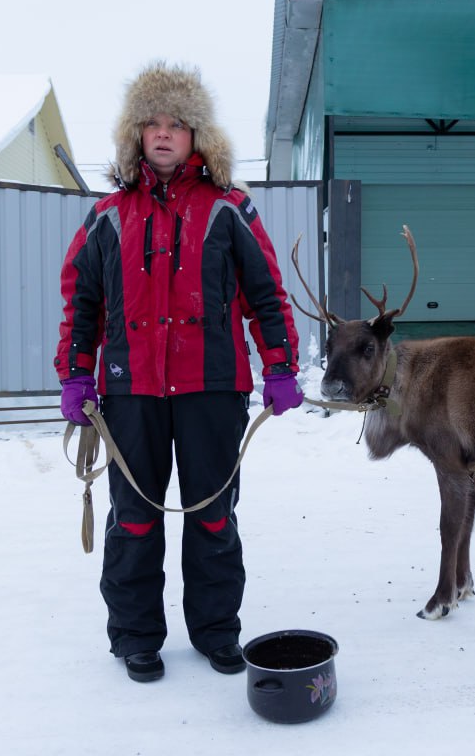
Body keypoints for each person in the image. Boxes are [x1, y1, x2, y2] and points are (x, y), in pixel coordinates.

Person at [55, 61, 304, 683]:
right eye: (152, 123)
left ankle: (217, 631)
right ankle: (137, 637)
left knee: (213, 516)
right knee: (134, 519)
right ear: (135, 136)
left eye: (177, 124)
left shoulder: (229, 209)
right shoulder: (108, 217)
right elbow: (81, 304)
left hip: (212, 389)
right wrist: (75, 375)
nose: (163, 134)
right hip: (130, 391)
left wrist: (280, 366)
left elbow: (266, 294)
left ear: (198, 137)